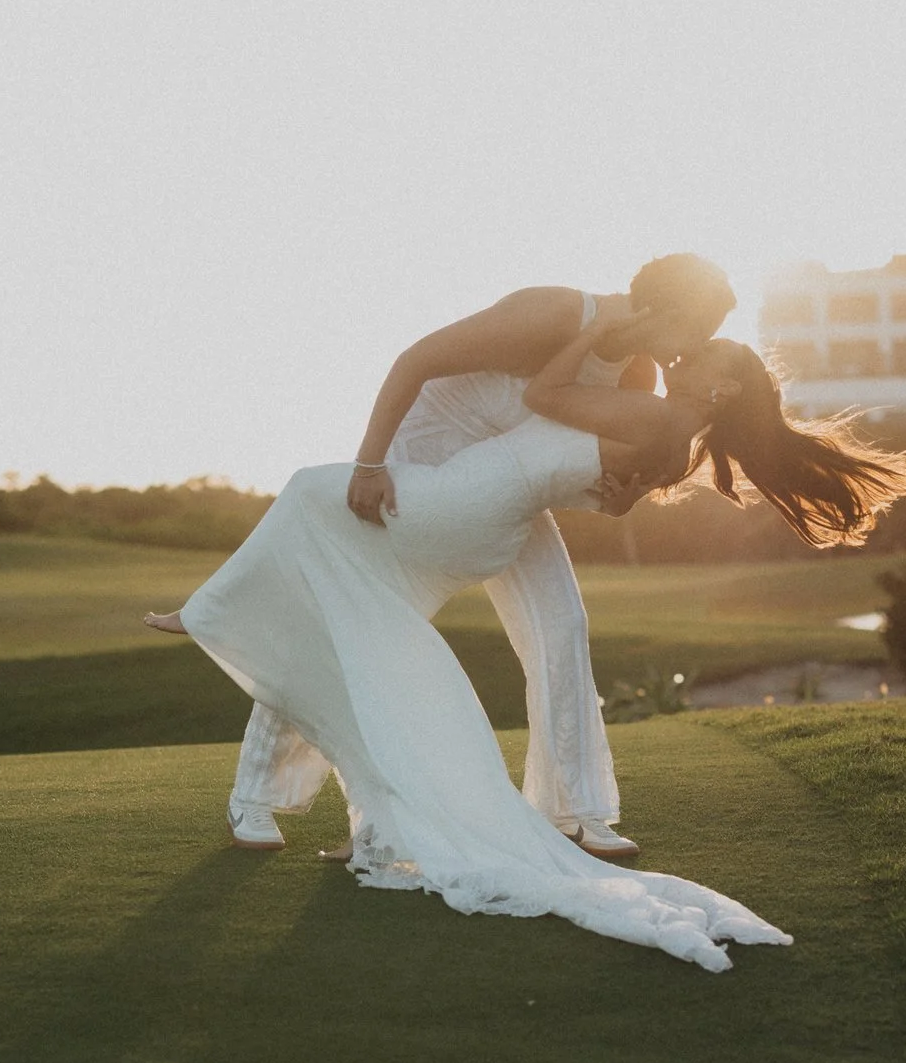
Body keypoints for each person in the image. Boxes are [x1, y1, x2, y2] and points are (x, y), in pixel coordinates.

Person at [144, 315, 906, 970]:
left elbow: (545, 397)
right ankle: (365, 804)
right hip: (490, 516)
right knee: (336, 572)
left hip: (469, 502)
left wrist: (590, 337)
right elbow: (609, 500)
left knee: (310, 490)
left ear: (723, 388)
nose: (690, 354)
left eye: (708, 355)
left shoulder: (654, 418)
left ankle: (206, 613)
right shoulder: (673, 438)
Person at [218, 254, 737, 859]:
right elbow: (415, 361)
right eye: (695, 331)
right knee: (350, 626)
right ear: (659, 308)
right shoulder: (554, 313)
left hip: (501, 484)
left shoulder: (638, 372)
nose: (692, 351)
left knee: (561, 622)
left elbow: (563, 460)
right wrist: (370, 463)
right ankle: (254, 795)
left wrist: (617, 498)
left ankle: (576, 811)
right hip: (423, 460)